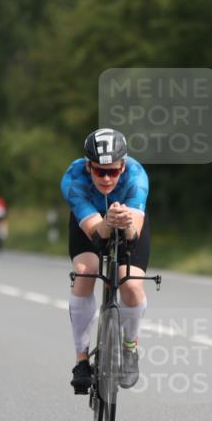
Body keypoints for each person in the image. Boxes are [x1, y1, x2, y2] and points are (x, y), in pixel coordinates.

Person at [61, 128, 150, 394]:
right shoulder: (74, 178)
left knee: (131, 284)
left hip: (127, 221)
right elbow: (95, 234)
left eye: (113, 171)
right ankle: (81, 360)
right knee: (85, 272)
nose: (107, 178)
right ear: (89, 166)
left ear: (123, 166)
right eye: (100, 171)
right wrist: (107, 223)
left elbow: (133, 235)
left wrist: (124, 223)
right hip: (89, 225)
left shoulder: (137, 176)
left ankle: (130, 346)